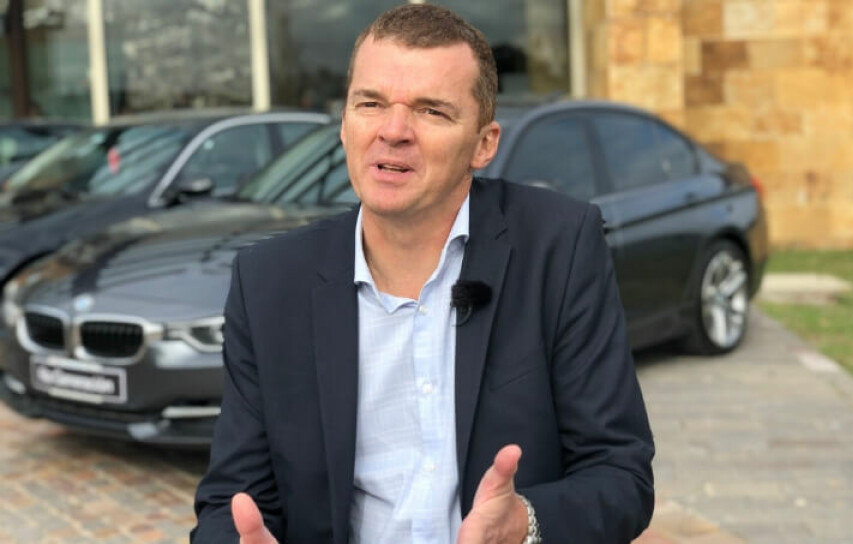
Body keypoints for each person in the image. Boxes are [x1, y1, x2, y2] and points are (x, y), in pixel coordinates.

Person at [192, 5, 654, 544]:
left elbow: (620, 475)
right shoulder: (270, 283)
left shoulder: (558, 247)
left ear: (483, 144)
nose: (393, 131)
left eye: (431, 111)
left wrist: (525, 522)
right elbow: (230, 502)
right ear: (344, 124)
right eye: (370, 104)